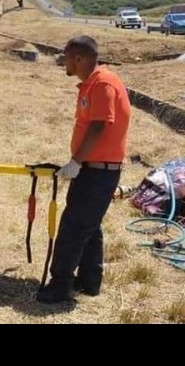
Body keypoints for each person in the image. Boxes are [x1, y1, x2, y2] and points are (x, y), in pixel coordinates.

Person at [36, 35, 131, 304]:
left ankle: (60, 286)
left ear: (79, 58)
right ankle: (89, 281)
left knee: (73, 228)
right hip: (94, 169)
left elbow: (99, 125)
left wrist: (76, 161)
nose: (63, 62)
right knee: (89, 227)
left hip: (98, 171)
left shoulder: (102, 83)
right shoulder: (92, 83)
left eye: (66, 57)